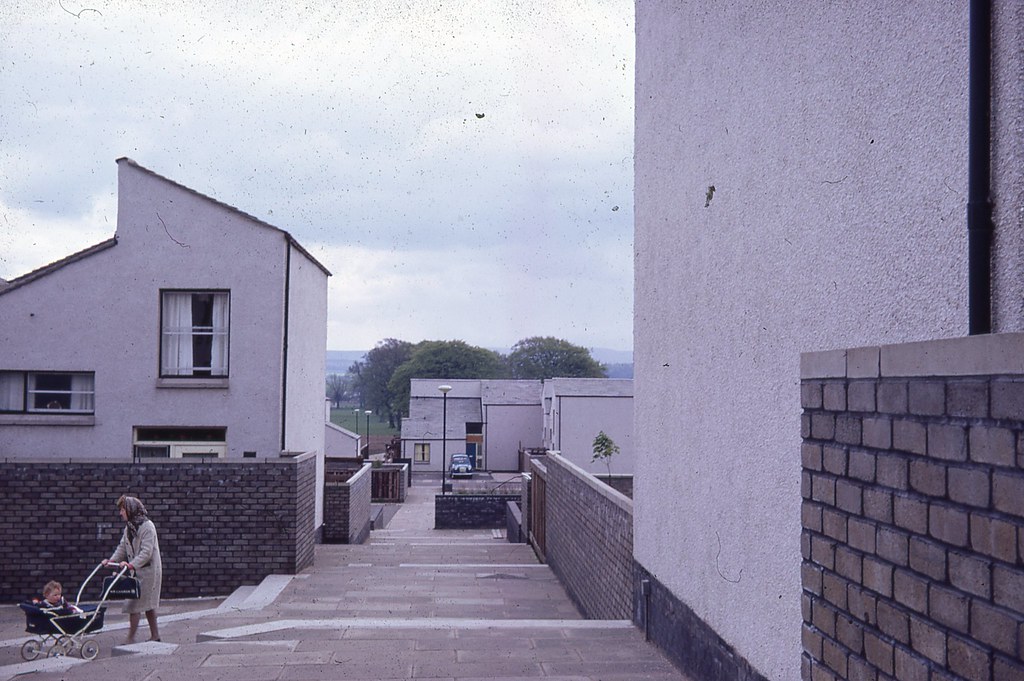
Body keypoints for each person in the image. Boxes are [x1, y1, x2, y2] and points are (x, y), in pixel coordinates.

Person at [102, 495, 162, 642]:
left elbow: (147, 552)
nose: (120, 513)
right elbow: (122, 547)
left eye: (122, 509)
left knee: (134, 602)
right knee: (147, 604)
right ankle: (155, 636)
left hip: (149, 571)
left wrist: (131, 564)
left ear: (130, 509)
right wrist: (112, 560)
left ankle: (131, 638)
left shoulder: (147, 527)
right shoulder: (129, 527)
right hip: (138, 570)